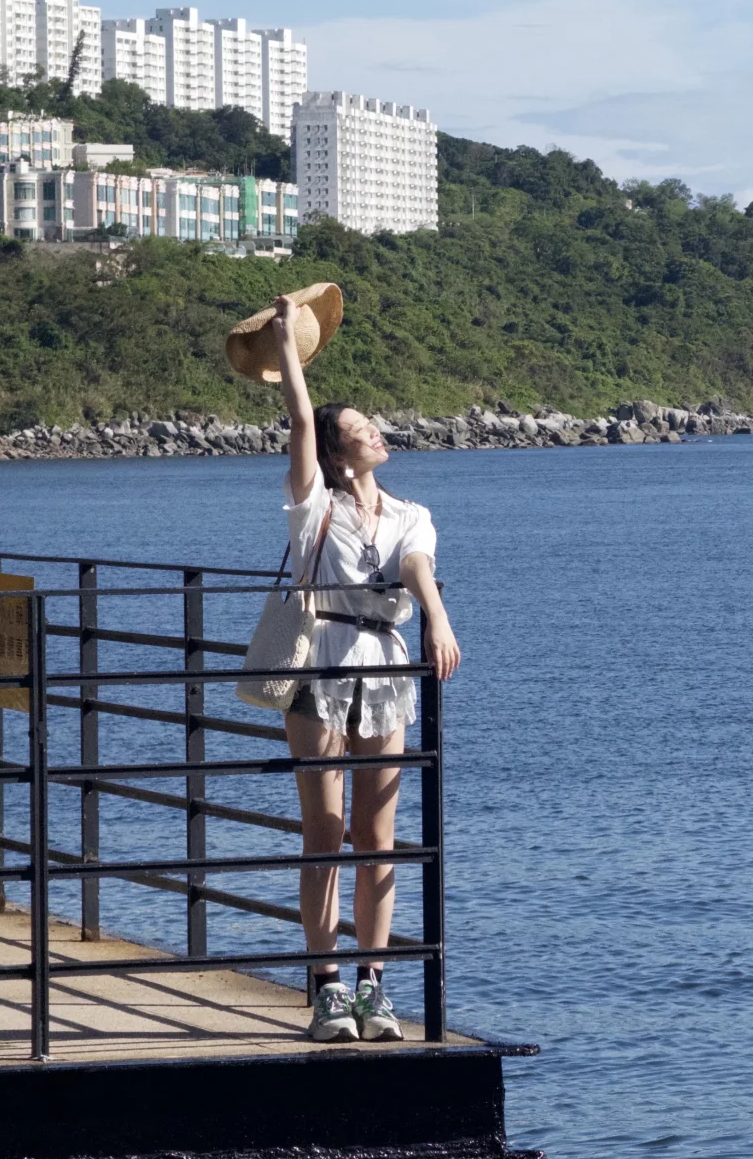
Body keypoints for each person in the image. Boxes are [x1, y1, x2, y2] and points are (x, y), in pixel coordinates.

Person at [269, 294, 461, 1042]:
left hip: (383, 668)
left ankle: (373, 985)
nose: (374, 432)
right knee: (324, 832)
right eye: (357, 429)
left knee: (377, 838)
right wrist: (287, 347)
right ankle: (326, 988)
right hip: (321, 664)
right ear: (337, 452)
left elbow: (416, 566)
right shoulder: (313, 505)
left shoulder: (411, 513)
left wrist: (437, 617)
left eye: (370, 425)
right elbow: (298, 420)